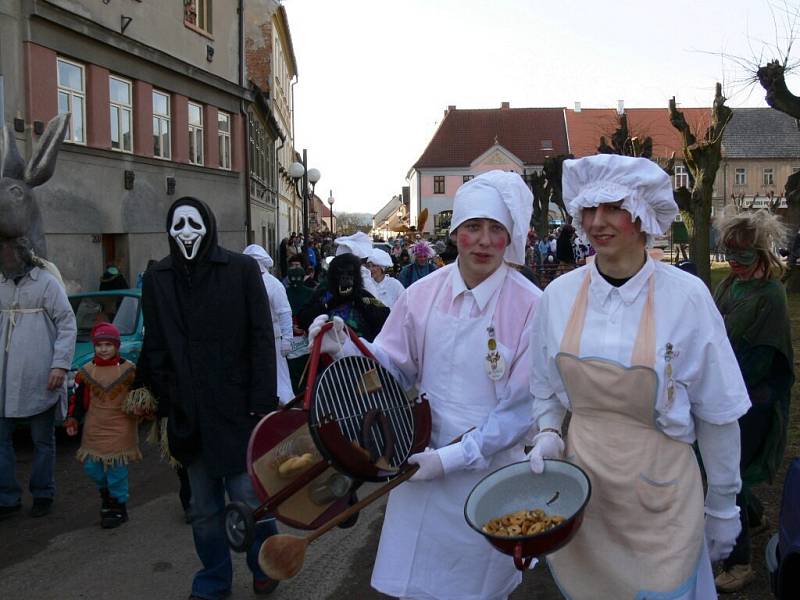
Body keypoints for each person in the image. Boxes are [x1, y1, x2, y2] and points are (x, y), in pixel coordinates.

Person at [309, 170, 541, 600]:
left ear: (510, 238)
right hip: (419, 462)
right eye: (473, 227)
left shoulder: (531, 306)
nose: (484, 240)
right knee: (418, 587)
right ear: (455, 234)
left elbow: (517, 413)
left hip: (486, 474)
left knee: (476, 590)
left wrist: (452, 457)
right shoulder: (423, 294)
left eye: (496, 229)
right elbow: (394, 368)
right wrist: (346, 349)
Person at [527, 154, 751, 599]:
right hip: (585, 490)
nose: (597, 222)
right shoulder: (557, 297)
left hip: (661, 496)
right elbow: (544, 386)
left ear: (643, 215)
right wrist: (549, 431)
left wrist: (723, 504)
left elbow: (720, 411)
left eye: (612, 208)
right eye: (589, 210)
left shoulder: (685, 297)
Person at [133, 197, 280, 599]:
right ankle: (214, 579)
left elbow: (261, 338)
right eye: (177, 225)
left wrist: (262, 401)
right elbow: (156, 344)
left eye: (192, 224)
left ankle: (266, 563)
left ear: (208, 225)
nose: (185, 233)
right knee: (203, 508)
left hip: (238, 409)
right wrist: (159, 395)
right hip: (188, 413)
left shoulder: (241, 270)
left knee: (249, 497)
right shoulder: (159, 278)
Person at [712, 210, 795, 593]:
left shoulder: (772, 296)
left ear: (761, 253)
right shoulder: (729, 284)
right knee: (730, 467)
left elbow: (763, 358)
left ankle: (739, 561)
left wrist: (725, 391)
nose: (734, 264)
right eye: (729, 254)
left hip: (755, 398)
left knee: (728, 474)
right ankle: (756, 516)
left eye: (743, 257)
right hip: (727, 390)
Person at [0, 237, 77, 519]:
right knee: (1, 440)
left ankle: (43, 492)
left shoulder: (46, 282)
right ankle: (7, 496)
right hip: (3, 379)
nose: (5, 256)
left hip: (40, 375)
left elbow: (67, 324)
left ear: (22, 254)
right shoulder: (0, 283)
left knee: (42, 440)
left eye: (9, 250)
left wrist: (59, 365)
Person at [64, 322, 152, 528]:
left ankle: (117, 506)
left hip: (120, 427)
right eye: (99, 345)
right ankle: (106, 496)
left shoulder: (129, 370)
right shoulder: (87, 371)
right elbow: (78, 400)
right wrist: (73, 419)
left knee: (116, 470)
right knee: (92, 468)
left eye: (108, 345)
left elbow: (140, 396)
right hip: (95, 427)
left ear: (117, 346)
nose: (103, 349)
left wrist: (141, 409)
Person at [244, 244, 295, 406]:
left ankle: (286, 407)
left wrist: (287, 338)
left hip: (273, 337)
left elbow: (284, 312)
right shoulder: (244, 283)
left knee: (279, 375)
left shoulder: (274, 284)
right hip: (251, 337)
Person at [299, 252, 389, 342]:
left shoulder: (363, 297)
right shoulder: (323, 294)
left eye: (349, 273)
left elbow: (385, 321)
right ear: (333, 276)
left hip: (357, 351)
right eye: (341, 274)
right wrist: (326, 305)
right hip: (327, 348)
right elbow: (304, 317)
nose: (345, 278)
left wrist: (361, 306)